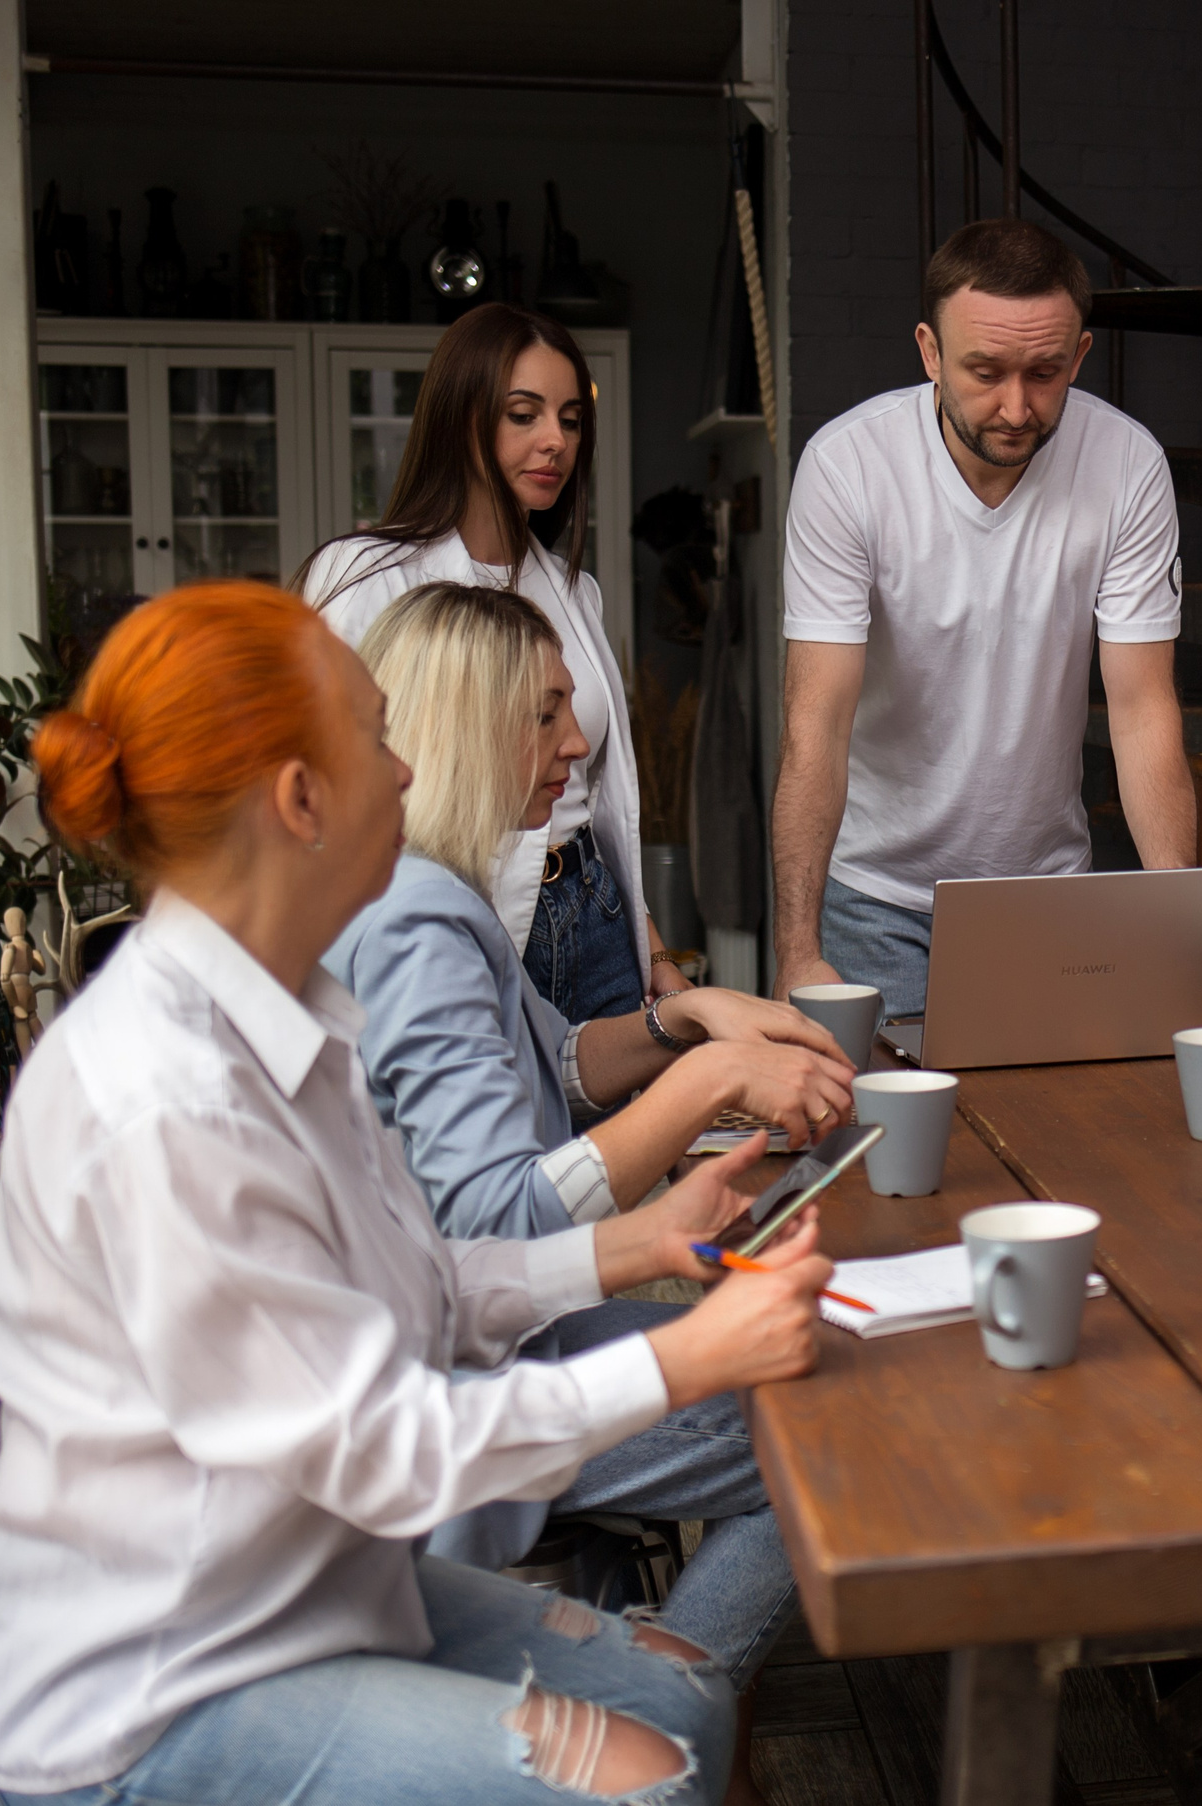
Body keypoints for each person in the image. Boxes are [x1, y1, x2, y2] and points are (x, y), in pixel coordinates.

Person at [0, 582, 831, 1806]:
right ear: (300, 801)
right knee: (647, 1775)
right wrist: (685, 1363)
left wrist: (638, 1245)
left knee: (683, 1689)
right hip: (140, 1688)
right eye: (375, 737)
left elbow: (418, 1274)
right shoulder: (168, 1101)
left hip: (287, 1590)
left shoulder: (291, 1011)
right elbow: (380, 1448)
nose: (407, 772)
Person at [323, 582, 856, 1708]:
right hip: (468, 1380)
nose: (575, 745)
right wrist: (710, 1078)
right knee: (830, 1440)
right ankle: (661, 1716)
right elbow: (497, 1218)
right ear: (470, 723)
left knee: (799, 1377)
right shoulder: (419, 920)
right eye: (547, 714)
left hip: (491, 1335)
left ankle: (656, 1705)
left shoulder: (434, 886)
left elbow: (561, 1062)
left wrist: (687, 1017)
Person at [773, 218, 1197, 1014]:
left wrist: (1177, 927)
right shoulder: (848, 466)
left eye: (1043, 372)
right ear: (930, 352)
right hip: (875, 899)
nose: (1015, 406)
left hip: (1044, 901)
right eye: (984, 370)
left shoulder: (1127, 463)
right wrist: (797, 949)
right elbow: (815, 723)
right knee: (883, 1137)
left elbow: (1143, 712)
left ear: (1079, 356)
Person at [298, 302, 673, 1029]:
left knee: (620, 1134)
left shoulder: (572, 591)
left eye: (569, 419)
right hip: (455, 925)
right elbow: (327, 788)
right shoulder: (366, 577)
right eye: (523, 415)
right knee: (487, 1136)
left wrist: (655, 954)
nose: (554, 441)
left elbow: (599, 799)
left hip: (592, 915)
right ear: (463, 419)